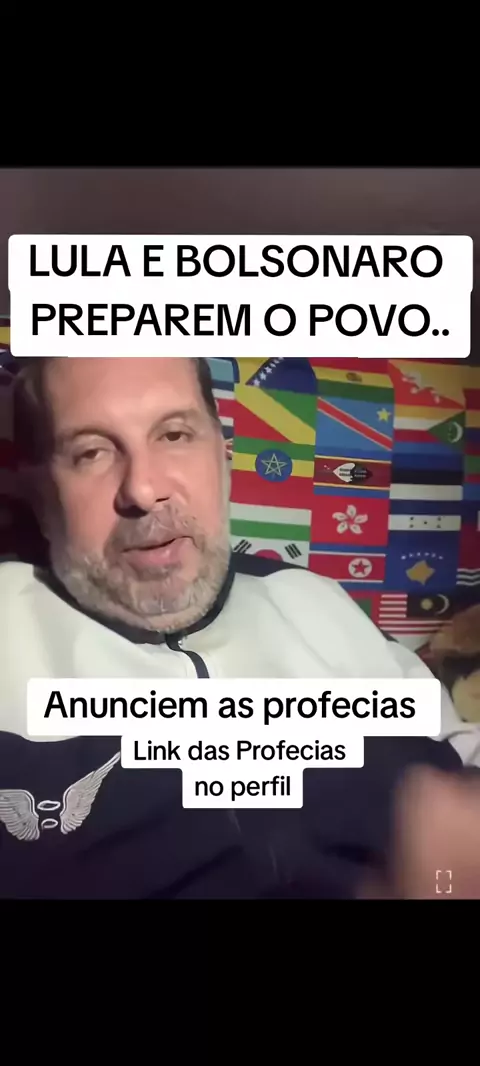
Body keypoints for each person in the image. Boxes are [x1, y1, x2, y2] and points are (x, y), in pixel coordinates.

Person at [0, 355, 478, 899]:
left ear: (223, 457)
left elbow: (461, 762)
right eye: (91, 452)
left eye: (174, 435)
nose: (144, 489)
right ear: (40, 495)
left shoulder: (314, 600)